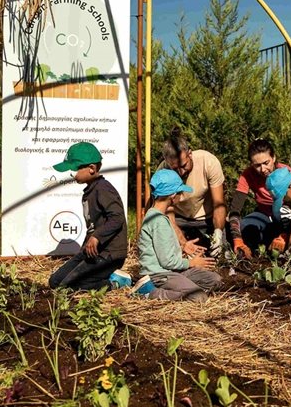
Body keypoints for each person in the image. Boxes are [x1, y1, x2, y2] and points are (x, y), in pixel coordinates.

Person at [48, 142, 131, 291]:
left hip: (109, 254)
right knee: (55, 281)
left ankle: (115, 282)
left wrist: (97, 237)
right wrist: (84, 248)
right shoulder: (90, 191)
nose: (72, 174)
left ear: (91, 168)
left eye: (74, 169)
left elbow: (117, 218)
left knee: (68, 287)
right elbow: (93, 227)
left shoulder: (104, 189)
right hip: (93, 252)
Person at [133, 169, 222, 302]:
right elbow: (167, 262)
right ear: (173, 195)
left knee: (215, 280)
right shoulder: (158, 221)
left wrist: (182, 247)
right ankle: (149, 292)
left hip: (171, 271)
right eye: (180, 192)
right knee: (198, 297)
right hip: (159, 275)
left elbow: (162, 250)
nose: (181, 195)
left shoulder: (157, 216)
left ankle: (180, 289)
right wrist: (191, 263)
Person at [159, 128, 227, 257]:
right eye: (175, 169)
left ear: (190, 154)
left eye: (184, 165)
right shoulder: (163, 172)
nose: (181, 172)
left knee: (221, 253)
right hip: (178, 219)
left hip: (206, 219)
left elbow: (219, 204)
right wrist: (183, 243)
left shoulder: (208, 162)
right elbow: (168, 213)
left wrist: (218, 231)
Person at [228, 138, 291, 258]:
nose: (263, 169)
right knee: (245, 226)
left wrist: (284, 234)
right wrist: (237, 239)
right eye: (257, 165)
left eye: (266, 163)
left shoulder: (286, 172)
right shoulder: (248, 174)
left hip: (285, 215)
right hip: (263, 213)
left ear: (273, 158)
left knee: (282, 215)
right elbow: (235, 209)